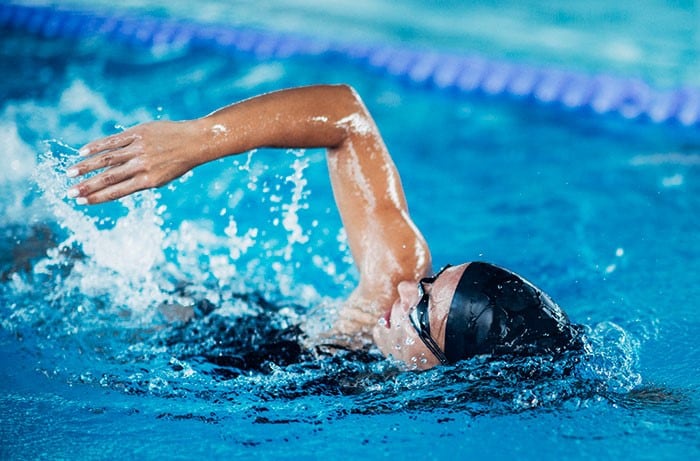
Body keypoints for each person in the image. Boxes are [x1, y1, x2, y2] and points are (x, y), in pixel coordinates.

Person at [66, 84, 581, 370]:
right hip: (185, 316)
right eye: (431, 281)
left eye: (423, 310)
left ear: (448, 370)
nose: (405, 288)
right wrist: (199, 140)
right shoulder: (389, 289)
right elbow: (345, 115)